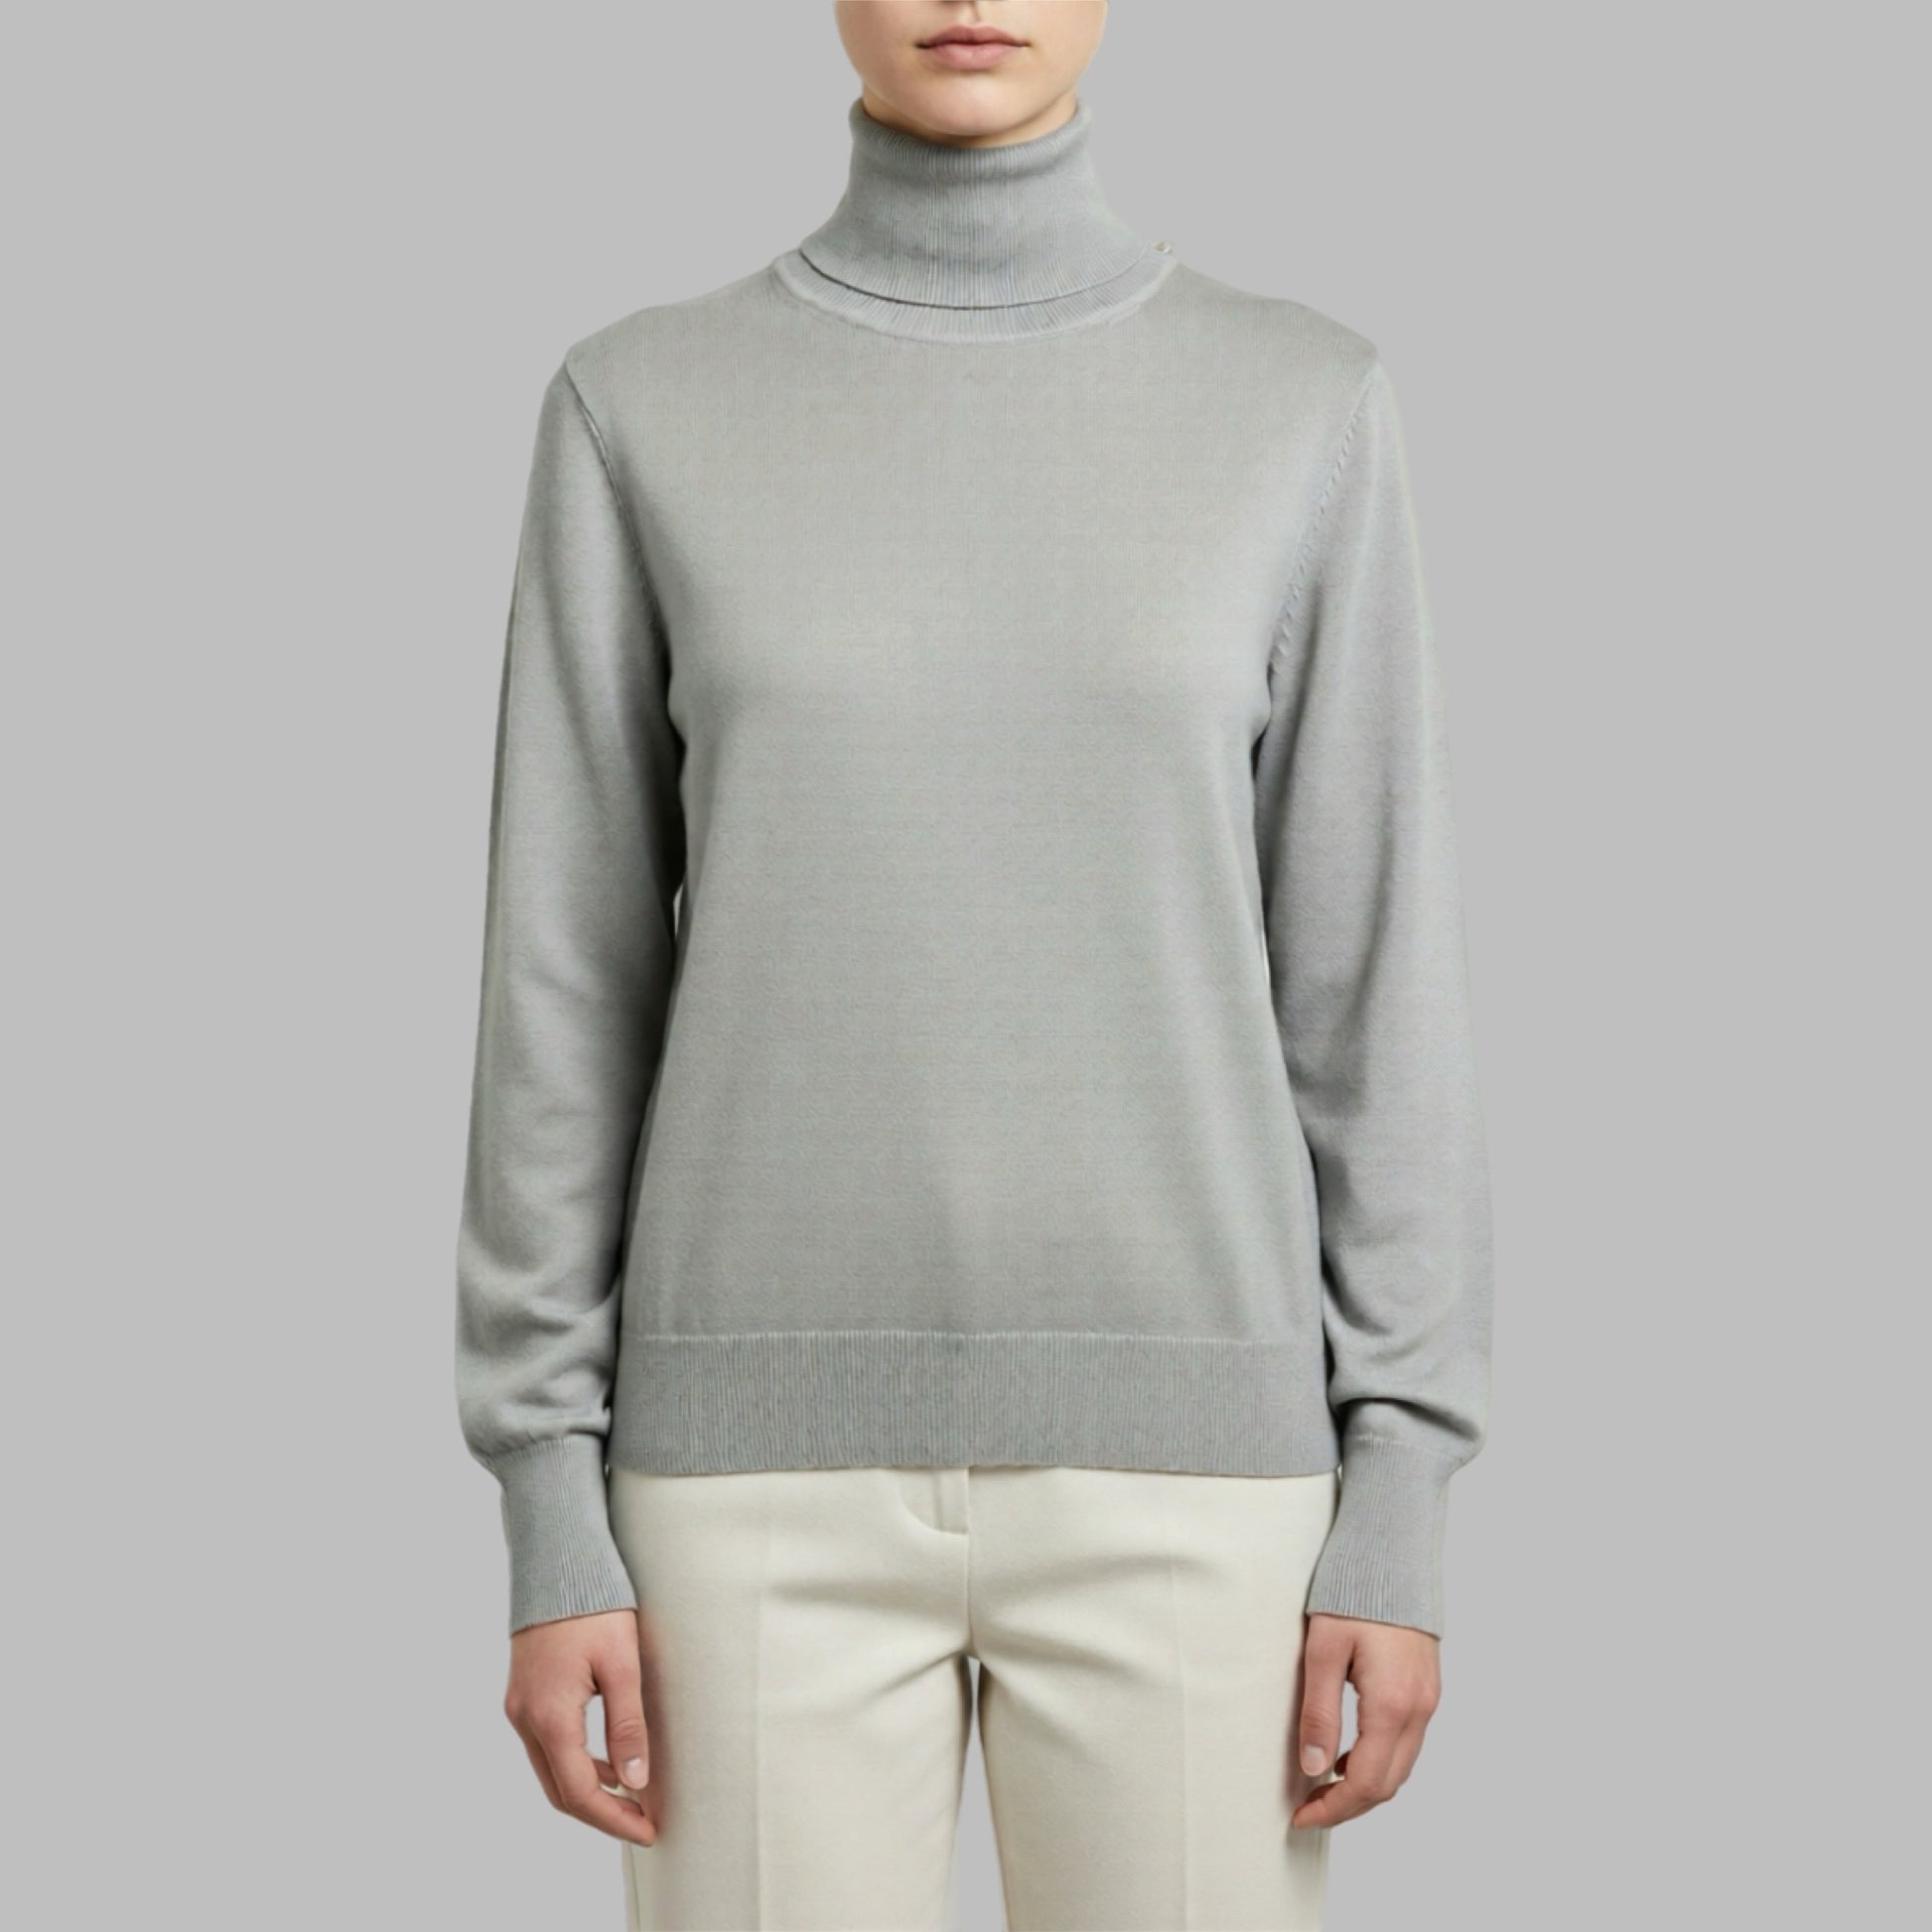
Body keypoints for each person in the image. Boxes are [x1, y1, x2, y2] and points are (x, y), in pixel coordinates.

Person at [453, 3, 1494, 1925]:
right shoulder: (640, 401)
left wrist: (1401, 1491)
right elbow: (562, 990)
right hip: (739, 1492)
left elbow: (1370, 988)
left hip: (1200, 1487)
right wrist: (547, 1497)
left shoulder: (1299, 401)